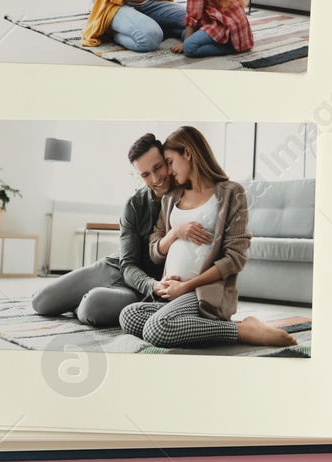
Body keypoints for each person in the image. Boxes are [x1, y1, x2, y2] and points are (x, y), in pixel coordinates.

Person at [117, 127, 295, 348]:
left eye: (170, 162)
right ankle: (190, 324)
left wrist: (186, 286)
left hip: (202, 293)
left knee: (156, 329)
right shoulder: (170, 198)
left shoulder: (231, 192)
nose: (169, 172)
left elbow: (234, 259)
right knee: (128, 316)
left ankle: (241, 330)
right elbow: (154, 251)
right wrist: (175, 232)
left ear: (188, 154)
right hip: (170, 294)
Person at [29, 133, 202, 326]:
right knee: (40, 302)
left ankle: (84, 301)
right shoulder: (134, 204)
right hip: (116, 268)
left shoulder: (190, 197)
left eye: (158, 167)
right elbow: (127, 265)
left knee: (91, 308)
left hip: (139, 291)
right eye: (145, 174)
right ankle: (83, 297)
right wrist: (151, 284)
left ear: (167, 161)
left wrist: (154, 287)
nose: (155, 179)